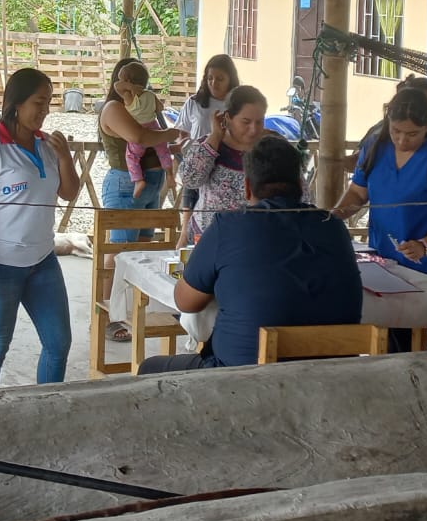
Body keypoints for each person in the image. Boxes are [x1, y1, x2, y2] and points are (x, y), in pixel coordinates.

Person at [139, 135, 360, 373]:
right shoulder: (334, 226)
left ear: (247, 187)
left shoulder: (228, 226)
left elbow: (186, 302)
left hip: (242, 378)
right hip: (333, 375)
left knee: (149, 368)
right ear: (300, 184)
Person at [0, 68, 81, 390]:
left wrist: (65, 157)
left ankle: (45, 406)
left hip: (42, 261)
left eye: (49, 103)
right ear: (17, 103)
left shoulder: (47, 145)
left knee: (58, 344)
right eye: (39, 103)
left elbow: (69, 193)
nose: (45, 111)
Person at [332, 87, 427, 283]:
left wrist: (425, 245)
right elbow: (358, 193)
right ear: (388, 121)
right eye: (396, 131)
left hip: (426, 267)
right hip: (381, 258)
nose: (402, 140)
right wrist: (335, 216)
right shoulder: (374, 147)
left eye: (412, 134)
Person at [98, 57, 183, 340]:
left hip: (151, 184)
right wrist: (172, 133)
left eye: (141, 82)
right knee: (118, 251)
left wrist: (166, 135)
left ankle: (132, 311)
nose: (137, 86)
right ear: (120, 82)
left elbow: (154, 138)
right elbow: (140, 137)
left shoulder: (143, 105)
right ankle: (110, 317)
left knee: (142, 250)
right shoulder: (113, 108)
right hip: (126, 183)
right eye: (132, 80)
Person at [177, 86, 268, 246]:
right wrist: (215, 136)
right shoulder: (208, 144)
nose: (253, 129)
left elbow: (298, 192)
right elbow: (190, 180)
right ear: (227, 118)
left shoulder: (270, 150)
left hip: (254, 241)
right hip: (208, 239)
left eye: (259, 122)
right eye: (246, 122)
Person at [175, 54, 239, 231]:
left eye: (220, 79)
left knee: (214, 220)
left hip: (224, 167)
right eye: (210, 78)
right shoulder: (195, 102)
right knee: (188, 219)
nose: (214, 83)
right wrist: (185, 147)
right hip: (198, 163)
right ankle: (185, 237)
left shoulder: (237, 106)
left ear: (230, 80)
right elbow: (181, 132)